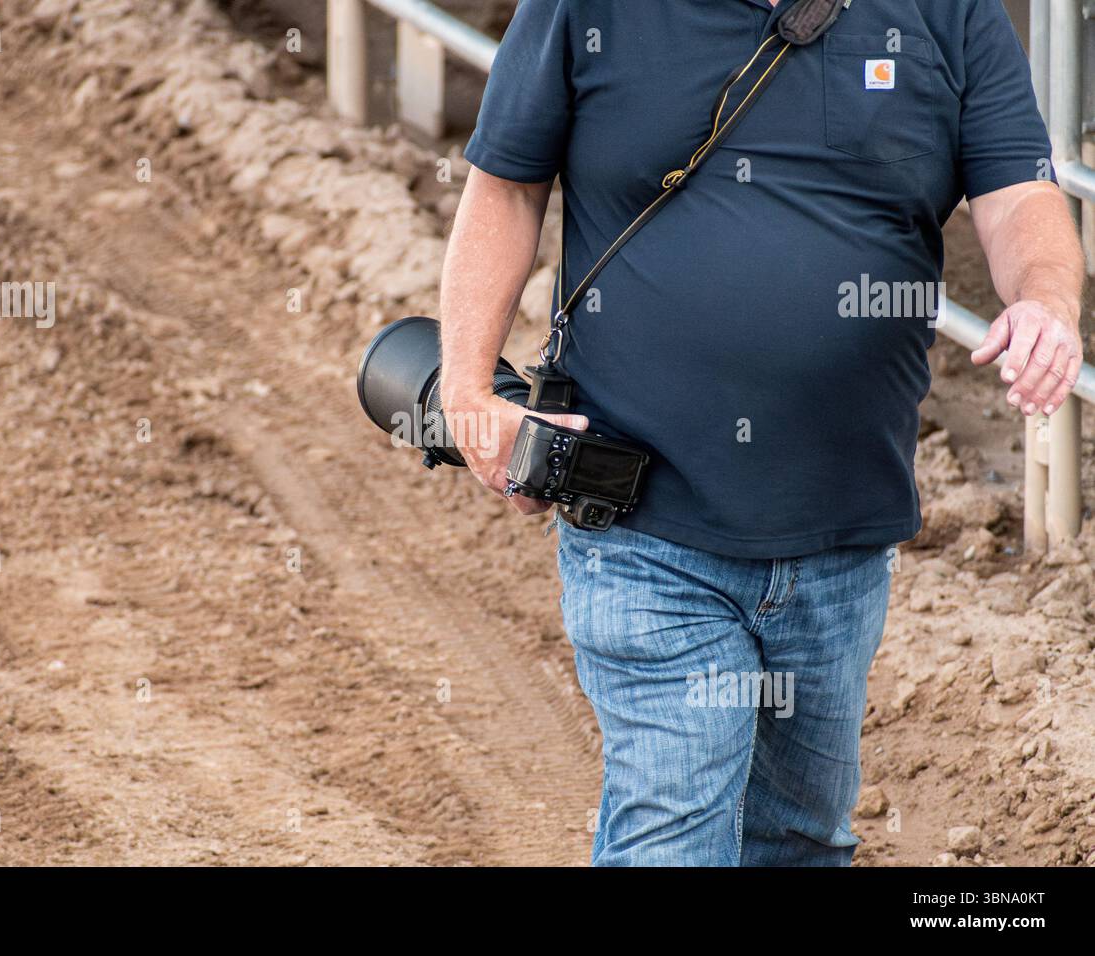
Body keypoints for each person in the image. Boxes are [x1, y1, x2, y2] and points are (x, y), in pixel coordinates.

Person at [438, 0, 1085, 865]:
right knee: (675, 832)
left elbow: (1019, 193)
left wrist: (1045, 301)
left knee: (800, 838)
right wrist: (468, 390)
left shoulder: (949, 12)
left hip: (844, 531)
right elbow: (506, 185)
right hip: (645, 518)